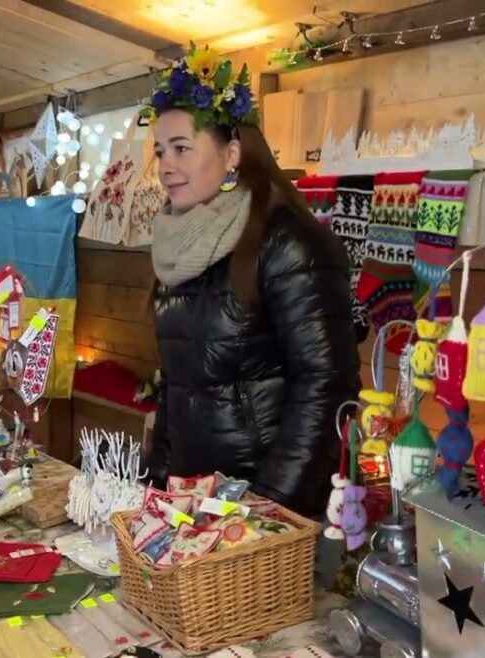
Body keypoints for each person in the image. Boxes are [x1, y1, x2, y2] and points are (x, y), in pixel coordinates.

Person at [144, 45, 361, 518]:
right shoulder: (174, 249)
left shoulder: (289, 244)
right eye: (160, 151)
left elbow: (326, 386)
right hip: (193, 508)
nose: (164, 166)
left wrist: (269, 511)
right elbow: (175, 392)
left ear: (233, 154)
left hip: (264, 513)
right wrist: (154, 494)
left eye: (181, 148)